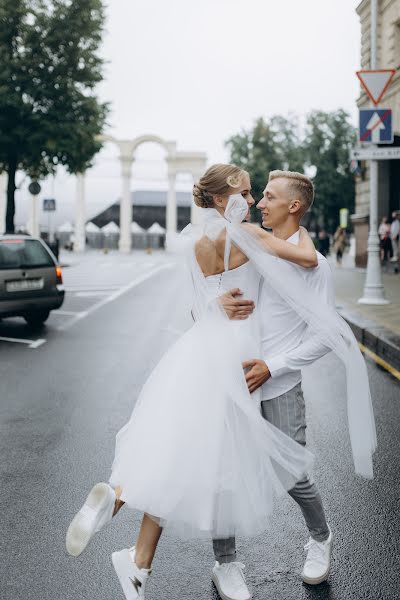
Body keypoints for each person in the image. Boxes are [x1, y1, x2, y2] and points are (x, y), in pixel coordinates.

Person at [65, 164, 320, 600]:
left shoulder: (195, 243)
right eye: (244, 192)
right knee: (214, 458)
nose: (251, 200)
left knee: (183, 448)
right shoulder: (248, 236)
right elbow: (308, 257)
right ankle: (140, 532)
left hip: (198, 350)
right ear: (222, 200)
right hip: (236, 356)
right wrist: (305, 227)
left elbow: (195, 309)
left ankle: (128, 524)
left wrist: (214, 306)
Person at [216, 170, 376, 599]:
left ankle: (320, 537)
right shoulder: (245, 246)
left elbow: (327, 335)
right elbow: (205, 301)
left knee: (292, 474)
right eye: (260, 195)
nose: (259, 203)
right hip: (229, 378)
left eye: (268, 197)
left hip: (280, 382)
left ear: (294, 206)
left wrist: (274, 365)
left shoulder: (316, 265)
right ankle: (225, 563)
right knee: (225, 473)